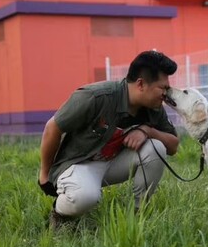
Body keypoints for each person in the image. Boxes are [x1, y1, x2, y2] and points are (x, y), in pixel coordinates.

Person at [38, 51, 179, 229]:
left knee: (156, 147)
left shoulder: (154, 107)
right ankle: (59, 215)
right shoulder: (96, 97)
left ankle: (137, 216)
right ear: (141, 84)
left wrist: (147, 131)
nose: (166, 94)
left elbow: (173, 146)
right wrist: (44, 174)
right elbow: (53, 128)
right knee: (85, 197)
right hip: (79, 163)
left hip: (113, 164)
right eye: (163, 88)